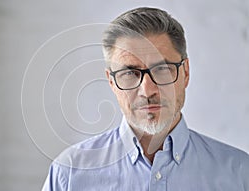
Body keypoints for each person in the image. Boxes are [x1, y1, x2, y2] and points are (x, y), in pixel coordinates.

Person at [42, 7, 249, 190]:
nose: (147, 90)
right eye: (130, 73)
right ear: (111, 82)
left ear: (185, 73)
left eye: (162, 69)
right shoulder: (68, 175)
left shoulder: (239, 173)